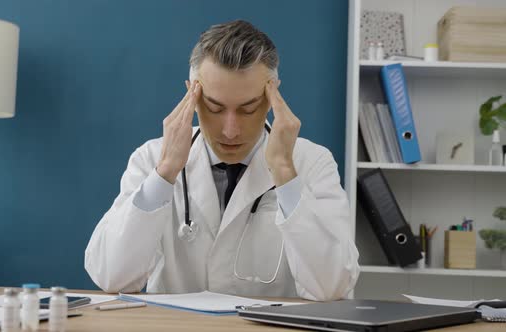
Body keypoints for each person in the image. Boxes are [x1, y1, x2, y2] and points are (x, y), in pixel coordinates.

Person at [85, 20, 359, 301]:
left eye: (248, 108)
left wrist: (285, 173)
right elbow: (111, 277)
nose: (230, 130)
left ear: (272, 94)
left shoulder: (311, 162)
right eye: (214, 107)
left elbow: (332, 286)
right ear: (192, 92)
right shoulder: (151, 158)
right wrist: (165, 173)